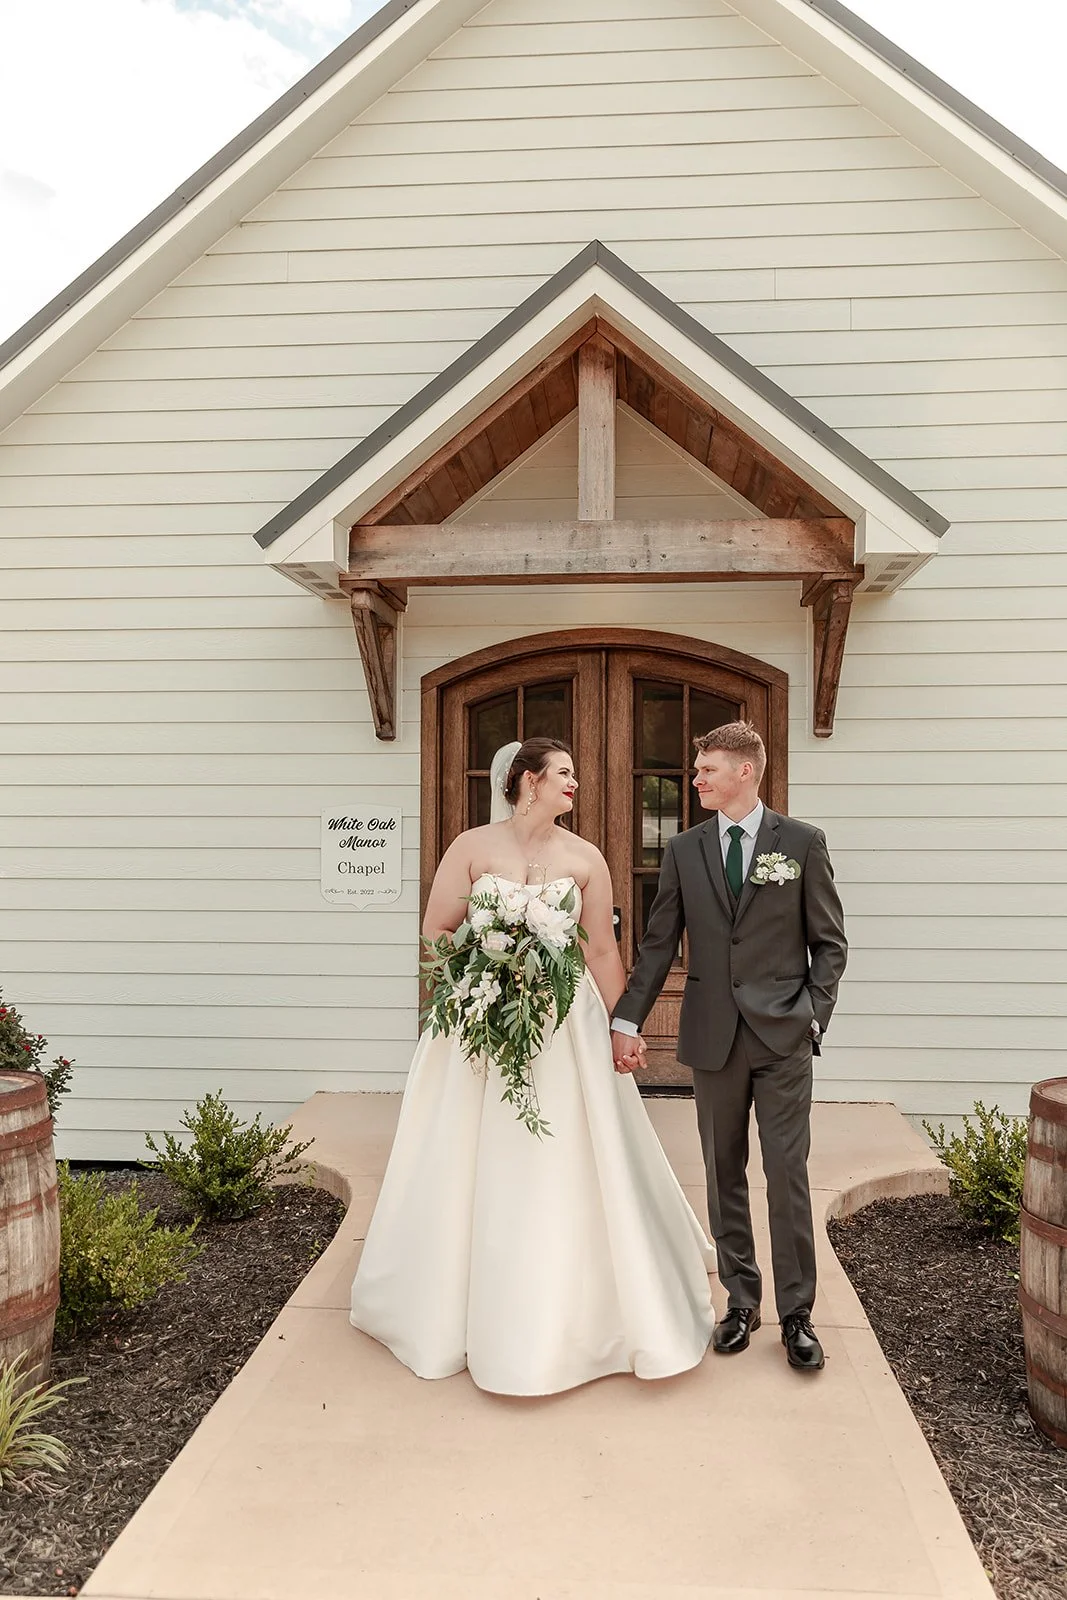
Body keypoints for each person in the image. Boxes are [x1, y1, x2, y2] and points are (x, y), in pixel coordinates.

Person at [350, 736, 714, 1396]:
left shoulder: (585, 859)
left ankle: (571, 1306)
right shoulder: (471, 847)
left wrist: (621, 1023)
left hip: (560, 1022)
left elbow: (601, 950)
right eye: (565, 773)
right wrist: (474, 975)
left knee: (560, 1149)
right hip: (482, 1014)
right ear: (527, 781)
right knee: (469, 1148)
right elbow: (434, 931)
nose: (575, 783)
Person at [611, 722, 847, 1373]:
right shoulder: (685, 849)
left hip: (782, 1038)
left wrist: (811, 1018)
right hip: (711, 1035)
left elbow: (829, 944)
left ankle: (797, 1313)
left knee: (786, 1174)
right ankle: (741, 1302)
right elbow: (658, 943)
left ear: (745, 770)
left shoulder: (799, 843)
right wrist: (627, 1018)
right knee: (722, 1174)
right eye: (697, 770)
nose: (697, 781)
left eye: (707, 769)